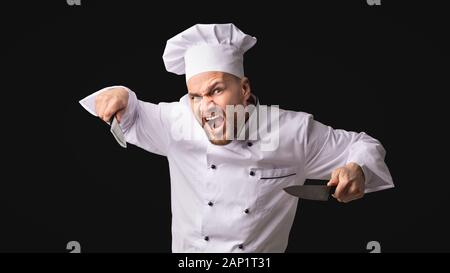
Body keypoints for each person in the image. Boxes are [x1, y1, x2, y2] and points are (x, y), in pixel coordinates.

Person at [80, 23, 394, 252]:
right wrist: (118, 93)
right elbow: (130, 110)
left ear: (244, 90)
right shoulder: (179, 122)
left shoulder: (287, 131)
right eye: (195, 96)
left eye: (216, 90)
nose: (206, 107)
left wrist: (358, 168)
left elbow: (364, 146)